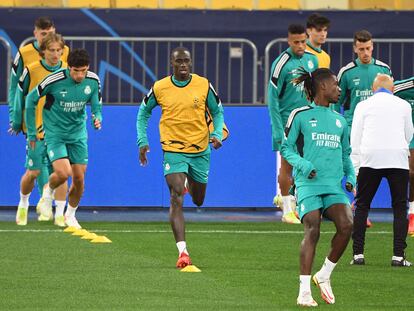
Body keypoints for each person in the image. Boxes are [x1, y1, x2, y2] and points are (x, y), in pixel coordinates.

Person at [136, 47, 224, 268]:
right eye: (179, 61)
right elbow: (143, 113)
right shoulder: (160, 87)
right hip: (173, 148)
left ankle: (187, 181)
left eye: (187, 61)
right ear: (171, 64)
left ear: (191, 63)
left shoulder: (204, 85)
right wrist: (142, 141)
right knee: (176, 195)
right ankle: (183, 252)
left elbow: (218, 111)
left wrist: (216, 133)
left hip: (200, 150)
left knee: (198, 200)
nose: (183, 65)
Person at [281, 68, 355, 306]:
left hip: (333, 186)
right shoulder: (300, 115)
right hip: (308, 184)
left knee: (347, 225)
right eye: (336, 84)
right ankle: (304, 291)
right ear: (323, 86)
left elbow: (346, 154)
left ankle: (323, 275)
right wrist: (302, 165)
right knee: (313, 228)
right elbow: (286, 148)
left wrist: (351, 175)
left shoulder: (340, 120)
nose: (339, 89)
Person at [25, 48, 102, 229]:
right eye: (76, 71)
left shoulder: (93, 80)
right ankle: (48, 192)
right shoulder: (55, 79)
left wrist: (98, 118)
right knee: (63, 172)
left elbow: (97, 106)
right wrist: (31, 133)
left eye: (83, 70)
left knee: (79, 179)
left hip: (78, 135)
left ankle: (70, 215)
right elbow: (30, 99)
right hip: (55, 133)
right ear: (69, 69)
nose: (80, 75)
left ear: (87, 68)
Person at [8, 16, 70, 221]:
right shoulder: (25, 55)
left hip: (58, 122)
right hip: (33, 120)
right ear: (35, 33)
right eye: (44, 34)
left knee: (60, 167)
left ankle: (56, 211)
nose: (48, 37)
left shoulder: (65, 53)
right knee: (36, 169)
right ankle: (29, 203)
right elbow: (15, 88)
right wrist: (15, 118)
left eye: (51, 32)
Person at [350, 74, 413, 267]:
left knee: (362, 206)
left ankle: (358, 255)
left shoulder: (363, 105)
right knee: (400, 208)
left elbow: (355, 136)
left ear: (373, 89)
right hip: (397, 158)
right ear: (392, 89)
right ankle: (398, 256)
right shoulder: (404, 105)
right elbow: (409, 133)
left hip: (370, 158)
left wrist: (356, 166)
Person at [333, 29, 392, 228]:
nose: (365, 53)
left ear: (373, 46)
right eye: (361, 49)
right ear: (355, 49)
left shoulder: (384, 70)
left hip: (377, 129)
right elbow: (336, 102)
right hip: (353, 128)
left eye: (368, 48)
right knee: (356, 169)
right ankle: (356, 208)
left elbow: (391, 99)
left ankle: (358, 206)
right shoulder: (346, 72)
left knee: (371, 171)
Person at [267, 24, 318, 224]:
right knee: (286, 166)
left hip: (307, 122)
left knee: (304, 167)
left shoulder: (312, 60)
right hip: (287, 122)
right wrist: (278, 129)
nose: (300, 45)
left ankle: (296, 204)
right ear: (289, 41)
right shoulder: (281, 64)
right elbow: (272, 99)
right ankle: (287, 210)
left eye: (303, 41)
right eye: (296, 42)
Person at [394, 77, 414, 234]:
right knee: (412, 173)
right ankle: (412, 214)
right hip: (410, 137)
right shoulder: (405, 87)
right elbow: (385, 93)